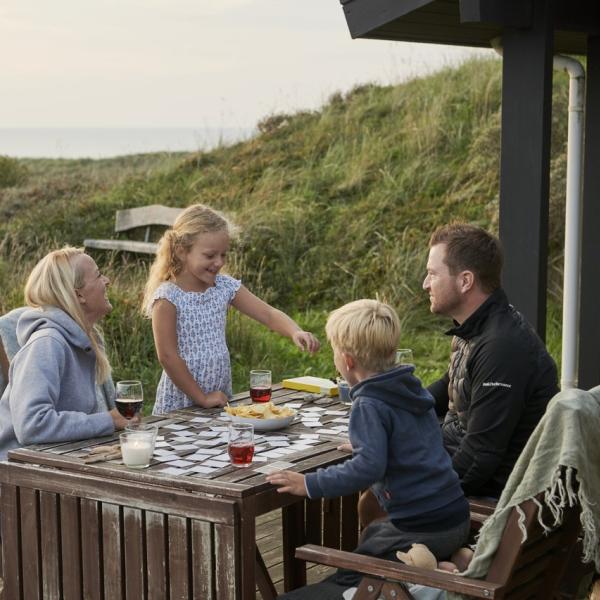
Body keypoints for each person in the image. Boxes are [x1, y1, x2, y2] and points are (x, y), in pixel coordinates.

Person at [267, 299, 470, 599]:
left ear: (347, 361)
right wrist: (373, 443)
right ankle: (441, 564)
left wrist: (308, 483)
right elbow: (418, 438)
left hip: (419, 527)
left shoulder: (369, 404)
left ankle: (429, 573)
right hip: (455, 519)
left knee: (353, 570)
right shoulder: (409, 387)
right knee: (374, 536)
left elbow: (367, 469)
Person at [142, 203, 320, 415]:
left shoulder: (223, 286)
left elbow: (268, 313)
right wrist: (202, 397)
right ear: (181, 251)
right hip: (181, 402)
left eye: (223, 255)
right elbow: (168, 356)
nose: (218, 262)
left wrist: (294, 330)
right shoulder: (168, 297)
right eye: (210, 255)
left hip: (219, 398)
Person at [423, 224, 558, 498]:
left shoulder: (501, 347)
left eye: (432, 274)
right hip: (456, 459)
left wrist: (422, 493)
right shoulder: (474, 327)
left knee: (379, 489)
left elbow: (479, 457)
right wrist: (390, 414)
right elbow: (448, 386)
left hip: (496, 495)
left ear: (465, 281)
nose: (426, 284)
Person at [0, 247, 129, 461]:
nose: (107, 281)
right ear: (78, 294)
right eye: (98, 275)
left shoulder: (85, 339)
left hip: (53, 463)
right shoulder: (47, 343)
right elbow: (31, 425)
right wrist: (108, 421)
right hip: (18, 477)